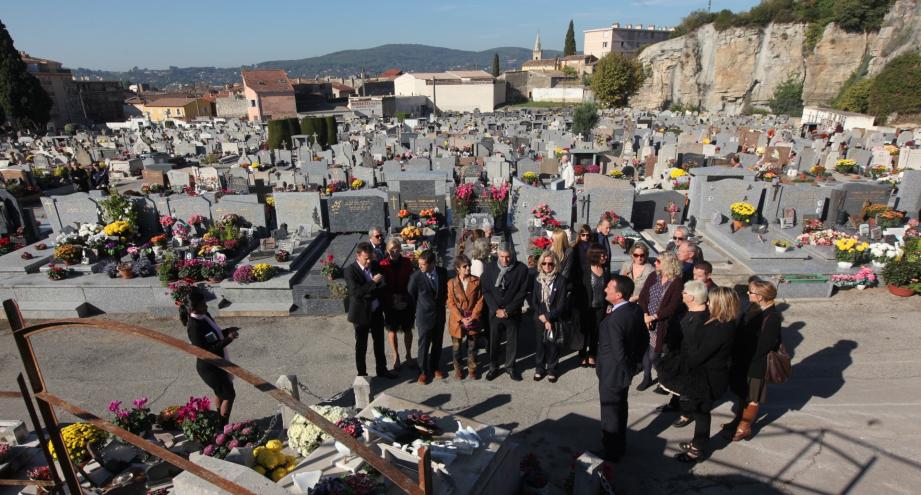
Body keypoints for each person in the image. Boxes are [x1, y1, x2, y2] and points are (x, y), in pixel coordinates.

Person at [674, 287, 739, 462]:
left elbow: (699, 355)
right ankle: (698, 443)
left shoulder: (721, 328)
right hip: (706, 376)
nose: (707, 303)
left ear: (720, 304)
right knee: (701, 411)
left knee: (702, 412)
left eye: (711, 301)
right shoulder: (719, 322)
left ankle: (697, 449)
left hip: (709, 379)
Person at [596, 275, 644, 462]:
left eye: (609, 287)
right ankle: (619, 445)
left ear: (618, 294)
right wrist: (637, 365)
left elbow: (618, 352)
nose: (605, 289)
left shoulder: (616, 319)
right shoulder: (635, 310)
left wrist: (628, 369)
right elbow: (643, 340)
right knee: (620, 409)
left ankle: (611, 451)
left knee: (610, 413)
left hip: (613, 374)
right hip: (623, 372)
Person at [727, 279, 782, 442]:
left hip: (756, 364)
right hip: (745, 359)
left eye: (750, 292)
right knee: (743, 395)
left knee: (752, 398)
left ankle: (744, 428)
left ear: (760, 296)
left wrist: (745, 357)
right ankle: (737, 421)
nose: (747, 294)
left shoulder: (772, 317)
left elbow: (764, 346)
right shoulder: (754, 308)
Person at [657, 281, 710, 425]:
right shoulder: (687, 311)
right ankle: (676, 405)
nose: (682, 294)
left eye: (685, 292)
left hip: (690, 362)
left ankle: (687, 413)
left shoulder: (703, 318)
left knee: (688, 390)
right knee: (678, 387)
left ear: (692, 297)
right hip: (679, 356)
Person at [185, 291, 239, 426]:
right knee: (229, 395)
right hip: (209, 368)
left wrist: (227, 331)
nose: (206, 306)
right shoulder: (194, 327)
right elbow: (205, 352)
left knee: (221, 393)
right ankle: (223, 426)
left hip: (218, 365)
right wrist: (228, 340)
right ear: (194, 308)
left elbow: (214, 335)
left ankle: (219, 420)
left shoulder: (204, 316)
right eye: (203, 304)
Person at [344, 242, 396, 379]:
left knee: (379, 343)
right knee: (361, 346)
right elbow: (356, 293)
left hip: (376, 311)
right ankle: (362, 374)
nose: (368, 261)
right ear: (358, 256)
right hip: (361, 314)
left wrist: (369, 290)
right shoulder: (350, 270)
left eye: (370, 258)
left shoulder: (375, 265)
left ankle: (382, 369)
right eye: (365, 258)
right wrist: (373, 283)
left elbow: (383, 285)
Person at [636, 252, 686, 391]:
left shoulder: (676, 282)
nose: (655, 263)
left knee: (654, 354)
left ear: (667, 264)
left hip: (661, 323)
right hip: (646, 319)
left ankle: (664, 380)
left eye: (658, 261)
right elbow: (643, 296)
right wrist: (646, 315)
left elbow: (672, 306)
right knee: (644, 349)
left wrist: (654, 317)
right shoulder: (653, 276)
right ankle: (647, 377)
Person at [480, 243, 529, 381]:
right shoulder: (489, 268)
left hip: (512, 313)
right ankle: (493, 367)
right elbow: (486, 290)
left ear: (512, 255)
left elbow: (522, 292)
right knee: (494, 341)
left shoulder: (521, 269)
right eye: (502, 257)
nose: (505, 260)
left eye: (508, 257)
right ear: (498, 255)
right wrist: (496, 309)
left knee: (512, 341)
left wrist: (508, 310)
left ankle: (510, 367)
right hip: (495, 313)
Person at [408, 250, 449, 383]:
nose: (419, 266)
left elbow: (445, 291)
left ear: (432, 264)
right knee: (424, 344)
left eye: (423, 264)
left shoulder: (442, 273)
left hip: (439, 315)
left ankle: (435, 366)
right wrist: (416, 313)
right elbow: (411, 295)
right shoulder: (416, 277)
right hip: (424, 316)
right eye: (419, 264)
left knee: (437, 343)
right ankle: (423, 371)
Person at [532, 250, 569, 383]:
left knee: (552, 344)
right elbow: (534, 302)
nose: (547, 266)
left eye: (550, 264)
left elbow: (561, 305)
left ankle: (552, 369)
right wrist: (542, 317)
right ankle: (539, 368)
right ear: (540, 264)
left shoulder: (561, 280)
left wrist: (548, 318)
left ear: (555, 265)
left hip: (554, 317)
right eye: (544, 263)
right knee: (540, 344)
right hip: (539, 317)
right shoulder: (537, 279)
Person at [379, 237, 415, 370]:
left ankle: (409, 355)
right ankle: (396, 356)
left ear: (400, 249)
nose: (395, 252)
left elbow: (411, 281)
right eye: (392, 250)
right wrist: (392, 299)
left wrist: (405, 298)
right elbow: (382, 285)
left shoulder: (407, 262)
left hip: (405, 300)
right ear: (387, 250)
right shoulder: (383, 264)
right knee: (392, 330)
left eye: (397, 250)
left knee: (408, 329)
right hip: (390, 302)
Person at [446, 255, 484, 379]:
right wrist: (461, 318)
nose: (468, 268)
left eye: (469, 266)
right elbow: (450, 303)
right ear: (457, 268)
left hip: (473, 318)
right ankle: (458, 369)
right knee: (456, 348)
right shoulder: (451, 283)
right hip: (457, 320)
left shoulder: (476, 281)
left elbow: (480, 300)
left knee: (472, 347)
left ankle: (472, 368)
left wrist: (473, 316)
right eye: (464, 266)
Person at [579, 244, 611, 368]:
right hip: (587, 307)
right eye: (602, 255)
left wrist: (608, 304)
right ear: (595, 256)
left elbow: (608, 290)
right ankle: (582, 355)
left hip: (600, 306)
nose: (605, 257)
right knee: (585, 331)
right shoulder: (585, 270)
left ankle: (592, 355)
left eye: (605, 255)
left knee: (596, 332)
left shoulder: (605, 271)